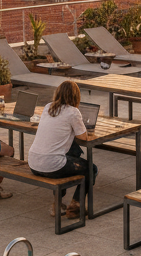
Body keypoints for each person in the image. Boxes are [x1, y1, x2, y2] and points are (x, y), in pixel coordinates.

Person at [27, 81, 97, 219]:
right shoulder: (73, 112)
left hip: (33, 163)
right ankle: (75, 207)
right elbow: (83, 137)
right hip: (51, 166)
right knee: (91, 169)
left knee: (70, 154)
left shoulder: (48, 107)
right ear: (76, 96)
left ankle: (57, 204)